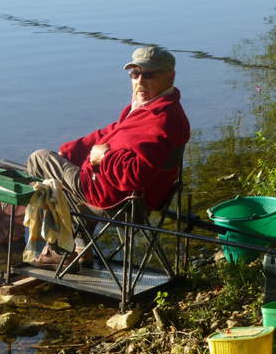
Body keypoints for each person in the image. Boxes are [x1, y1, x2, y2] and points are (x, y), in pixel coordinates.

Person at [26, 46, 190, 270]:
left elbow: (137, 174)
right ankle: (80, 250)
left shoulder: (161, 120)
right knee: (61, 175)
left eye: (149, 74)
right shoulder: (150, 107)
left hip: (119, 204)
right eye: (135, 74)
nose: (140, 81)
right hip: (113, 193)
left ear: (170, 76)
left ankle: (58, 250)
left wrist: (105, 157)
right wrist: (72, 150)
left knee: (39, 160)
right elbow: (112, 132)